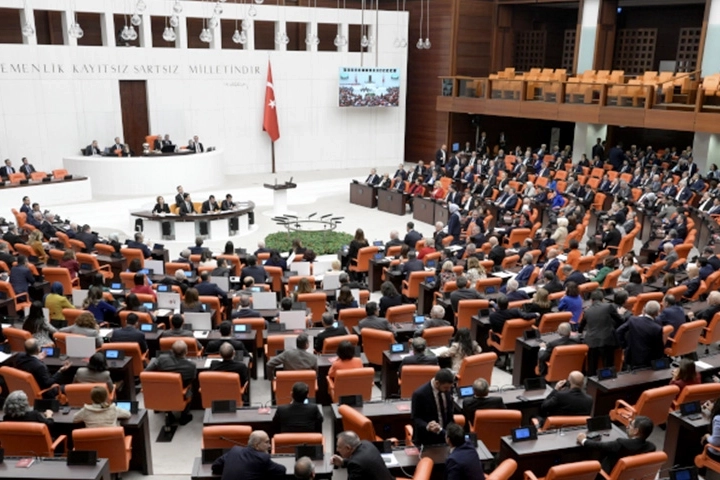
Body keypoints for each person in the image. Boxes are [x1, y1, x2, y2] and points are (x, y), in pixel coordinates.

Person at [577, 415, 656, 474]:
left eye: (631, 425)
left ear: (636, 431)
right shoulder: (651, 448)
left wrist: (583, 440)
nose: (627, 426)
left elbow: (600, 446)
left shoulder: (621, 444)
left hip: (607, 475)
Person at [145, 340, 196, 424]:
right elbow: (192, 379)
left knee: (166, 387)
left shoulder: (161, 359)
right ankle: (184, 416)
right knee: (190, 387)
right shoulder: (191, 366)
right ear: (186, 351)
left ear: (172, 351)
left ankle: (169, 414)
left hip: (162, 390)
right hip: (180, 391)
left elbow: (147, 371)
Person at [212, 430, 287, 480]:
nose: (269, 446)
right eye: (266, 442)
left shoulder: (234, 450)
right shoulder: (262, 458)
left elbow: (215, 466)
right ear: (256, 445)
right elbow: (281, 470)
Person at [580, 289, 623, 375]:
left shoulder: (587, 311)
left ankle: (591, 382)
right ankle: (609, 381)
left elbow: (580, 328)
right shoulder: (608, 306)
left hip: (592, 342)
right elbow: (620, 320)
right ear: (602, 299)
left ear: (591, 300)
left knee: (592, 368)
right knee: (608, 366)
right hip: (606, 340)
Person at [410, 369, 455, 446]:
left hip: (445, 437)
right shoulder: (419, 394)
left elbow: (449, 414)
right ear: (437, 383)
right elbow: (415, 418)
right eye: (446, 387)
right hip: (426, 439)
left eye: (450, 387)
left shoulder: (447, 390)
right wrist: (427, 426)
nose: (448, 390)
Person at [616, 300, 664, 369]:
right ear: (657, 313)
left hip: (632, 357)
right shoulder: (657, 328)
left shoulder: (633, 320)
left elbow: (619, 331)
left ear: (645, 310)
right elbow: (659, 349)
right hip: (648, 361)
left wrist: (625, 345)